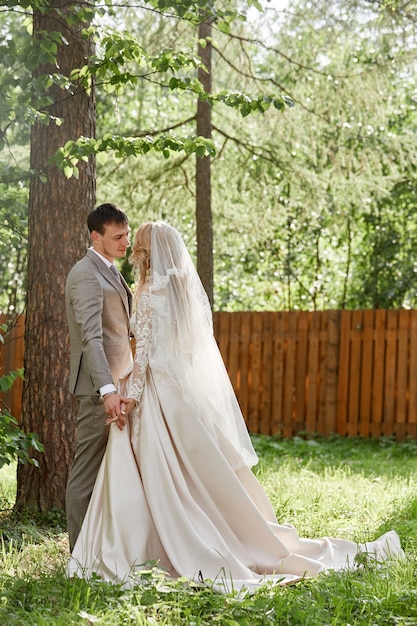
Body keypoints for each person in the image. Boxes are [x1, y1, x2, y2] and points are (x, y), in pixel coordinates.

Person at [67, 221, 403, 592]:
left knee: (161, 472)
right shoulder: (177, 289)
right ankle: (205, 531)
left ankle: (145, 542)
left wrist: (134, 395)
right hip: (177, 393)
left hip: (153, 392)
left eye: (135, 244)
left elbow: (144, 354)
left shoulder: (148, 291)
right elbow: (182, 348)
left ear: (147, 253)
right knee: (190, 474)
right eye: (123, 239)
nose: (131, 249)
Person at [65, 203, 133, 551]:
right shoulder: (85, 274)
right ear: (96, 237)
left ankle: (107, 546)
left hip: (121, 385)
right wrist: (106, 390)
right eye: (118, 236)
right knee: (86, 475)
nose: (126, 242)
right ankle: (79, 555)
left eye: (127, 234)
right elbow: (91, 337)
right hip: (98, 390)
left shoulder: (110, 269)